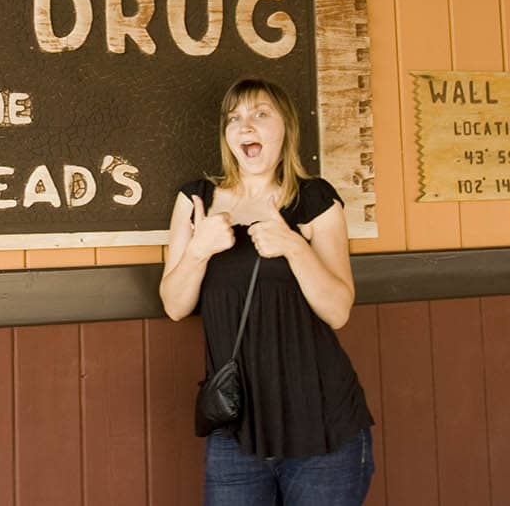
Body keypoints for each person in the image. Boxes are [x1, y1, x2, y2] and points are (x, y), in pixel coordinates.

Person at [159, 77, 374, 506]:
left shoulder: (315, 200)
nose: (246, 126)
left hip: (323, 422)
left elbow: (337, 311)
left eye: (260, 114)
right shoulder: (196, 200)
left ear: (286, 129)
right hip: (236, 426)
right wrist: (199, 250)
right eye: (234, 118)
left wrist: (293, 245)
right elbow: (175, 305)